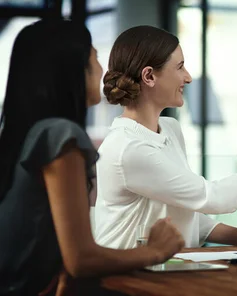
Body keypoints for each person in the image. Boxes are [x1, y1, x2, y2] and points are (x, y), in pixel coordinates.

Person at [0, 19, 185, 296]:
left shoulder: (33, 134)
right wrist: (155, 252)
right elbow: (82, 259)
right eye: (95, 58)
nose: (102, 71)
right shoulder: (61, 136)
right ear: (71, 69)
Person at [94, 25, 237, 249]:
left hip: (166, 272)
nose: (188, 77)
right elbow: (212, 197)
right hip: (124, 277)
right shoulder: (127, 148)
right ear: (149, 76)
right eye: (180, 67)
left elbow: (184, 212)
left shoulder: (170, 129)